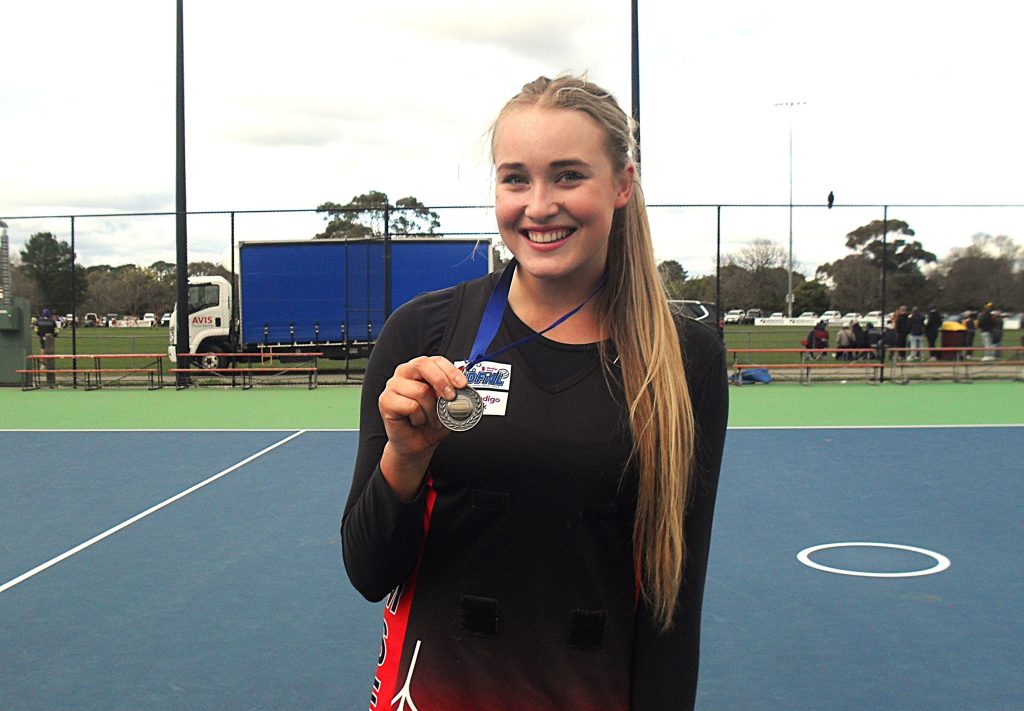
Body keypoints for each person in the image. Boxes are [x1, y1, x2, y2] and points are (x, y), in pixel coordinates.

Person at [341, 75, 729, 711]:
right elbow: (367, 571)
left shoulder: (686, 358)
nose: (539, 205)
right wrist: (403, 459)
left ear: (623, 185)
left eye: (569, 175)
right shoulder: (424, 333)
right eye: (515, 178)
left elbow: (673, 600)